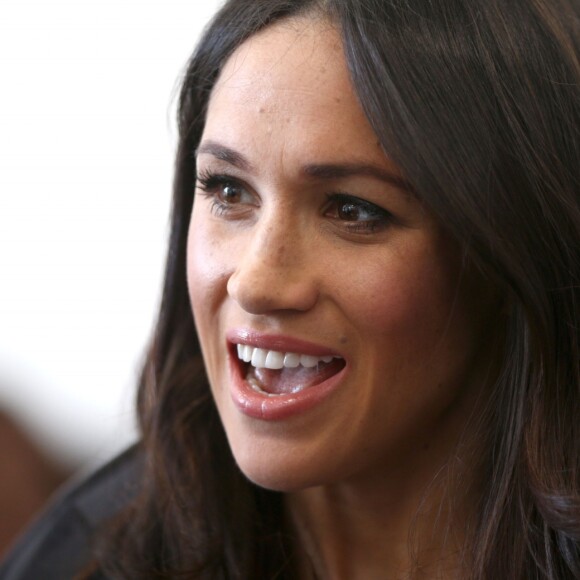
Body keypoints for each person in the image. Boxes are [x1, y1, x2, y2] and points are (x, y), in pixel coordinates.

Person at [1, 0, 578, 578]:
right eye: (228, 191)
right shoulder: (83, 558)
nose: (256, 281)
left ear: (514, 251)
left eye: (353, 210)